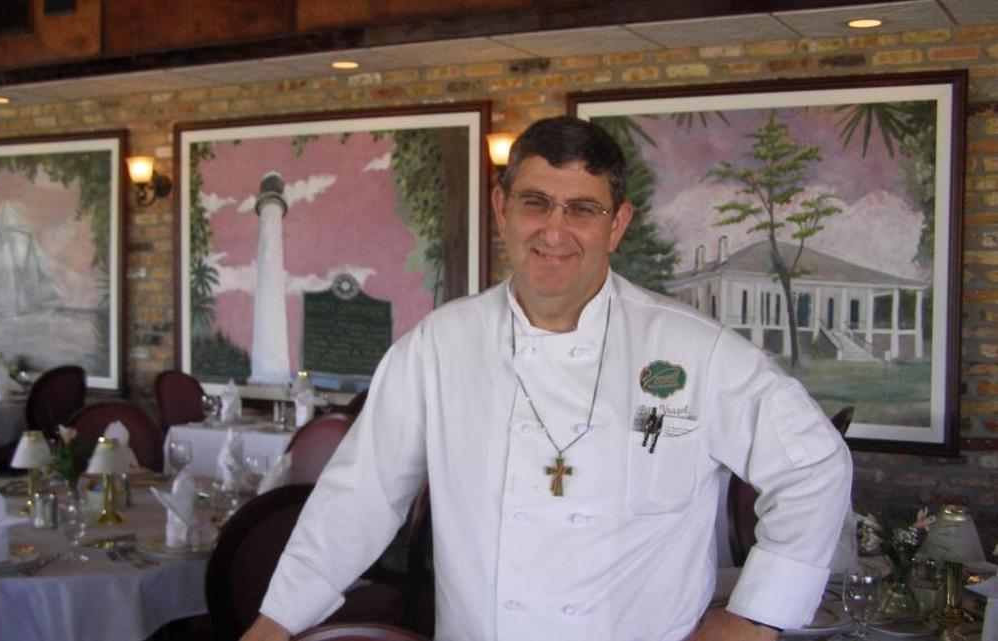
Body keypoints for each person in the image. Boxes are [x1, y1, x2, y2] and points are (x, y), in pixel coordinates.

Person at [240, 116, 852, 641]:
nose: (554, 232)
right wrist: (276, 621)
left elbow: (814, 467)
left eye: (582, 209)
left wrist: (756, 617)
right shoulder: (439, 345)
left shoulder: (695, 350)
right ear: (502, 209)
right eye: (535, 203)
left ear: (617, 224)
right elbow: (359, 496)